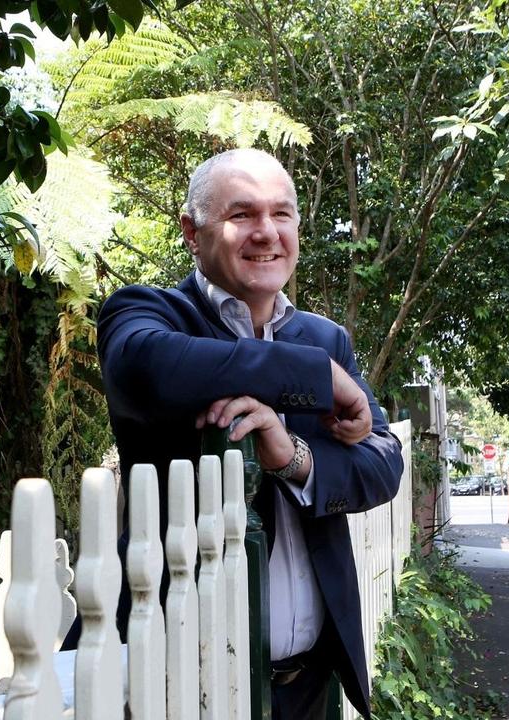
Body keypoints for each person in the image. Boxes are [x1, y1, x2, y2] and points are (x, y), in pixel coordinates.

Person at [95, 148, 403, 719]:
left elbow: (382, 463)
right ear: (192, 231)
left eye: (281, 215)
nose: (267, 233)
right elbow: (143, 367)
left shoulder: (325, 337)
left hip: (310, 681)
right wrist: (314, 377)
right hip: (184, 680)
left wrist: (294, 457)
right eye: (242, 215)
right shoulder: (148, 313)